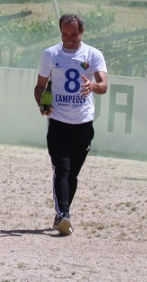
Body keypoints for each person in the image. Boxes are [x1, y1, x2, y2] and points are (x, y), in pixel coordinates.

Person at [34, 13, 107, 236]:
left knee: (72, 173)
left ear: (81, 32)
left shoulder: (93, 54)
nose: (69, 39)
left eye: (73, 34)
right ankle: (64, 215)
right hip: (58, 122)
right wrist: (42, 104)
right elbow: (39, 86)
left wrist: (93, 86)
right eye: (65, 34)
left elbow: (103, 85)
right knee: (61, 169)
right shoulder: (50, 54)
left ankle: (62, 213)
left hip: (83, 124)